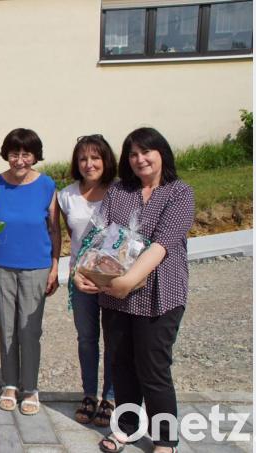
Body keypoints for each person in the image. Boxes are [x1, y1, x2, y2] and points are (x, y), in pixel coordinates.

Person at [73, 127, 194, 453]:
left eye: (146, 152)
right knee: (121, 363)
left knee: (153, 368)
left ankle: (165, 439)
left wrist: (126, 282)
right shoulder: (119, 192)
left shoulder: (179, 193)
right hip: (114, 297)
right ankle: (126, 427)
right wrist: (81, 273)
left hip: (159, 295)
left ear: (161, 153)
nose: (140, 159)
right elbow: (96, 237)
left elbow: (162, 244)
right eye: (133, 154)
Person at [0, 128, 60, 416]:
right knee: (6, 328)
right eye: (14, 153)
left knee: (29, 331)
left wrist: (55, 264)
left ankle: (30, 387)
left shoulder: (47, 185)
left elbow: (54, 228)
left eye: (26, 154)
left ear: (35, 156)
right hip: (2, 265)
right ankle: (10, 384)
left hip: (36, 267)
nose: (19, 160)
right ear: (7, 154)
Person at [57, 134, 118, 427]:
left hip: (116, 280)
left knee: (115, 339)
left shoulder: (120, 191)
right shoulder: (66, 195)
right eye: (83, 158)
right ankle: (89, 394)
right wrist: (77, 273)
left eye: (95, 158)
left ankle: (111, 396)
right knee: (87, 339)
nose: (89, 164)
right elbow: (69, 239)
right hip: (81, 280)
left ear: (106, 160)